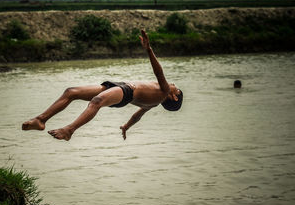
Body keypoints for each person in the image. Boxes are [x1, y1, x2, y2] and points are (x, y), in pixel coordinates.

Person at [22, 29, 183, 141]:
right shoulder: (152, 104)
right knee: (71, 92)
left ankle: (69, 130)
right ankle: (40, 120)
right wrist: (126, 127)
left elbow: (159, 73)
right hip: (119, 87)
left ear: (174, 96)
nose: (174, 84)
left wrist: (149, 50)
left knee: (96, 102)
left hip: (126, 92)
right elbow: (137, 116)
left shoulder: (164, 91)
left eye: (176, 88)